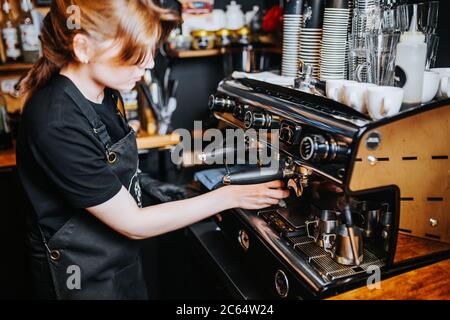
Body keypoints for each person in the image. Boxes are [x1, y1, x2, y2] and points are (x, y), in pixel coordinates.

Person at [16, 0, 289, 300]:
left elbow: (110, 176)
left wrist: (175, 191)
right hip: (76, 279)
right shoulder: (55, 121)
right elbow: (133, 223)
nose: (147, 64)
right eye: (135, 54)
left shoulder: (103, 94)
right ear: (84, 48)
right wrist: (228, 196)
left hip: (118, 266)